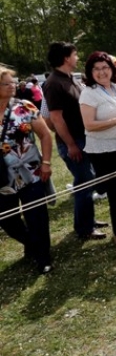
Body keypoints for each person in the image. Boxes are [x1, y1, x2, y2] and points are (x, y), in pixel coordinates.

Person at [43, 41, 107, 240]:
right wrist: (70, 144)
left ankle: (88, 221)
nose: (77, 57)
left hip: (84, 139)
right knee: (83, 184)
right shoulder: (54, 83)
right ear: (65, 58)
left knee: (87, 181)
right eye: (75, 54)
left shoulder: (69, 79)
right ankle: (84, 229)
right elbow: (55, 118)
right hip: (73, 142)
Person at [0, 66, 54, 274]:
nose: (13, 86)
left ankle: (44, 257)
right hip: (2, 177)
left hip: (30, 172)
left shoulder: (25, 107)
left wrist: (47, 163)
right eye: (7, 83)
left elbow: (46, 136)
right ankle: (32, 243)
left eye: (13, 81)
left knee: (37, 216)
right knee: (7, 219)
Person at [79, 52, 116, 247]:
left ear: (112, 69)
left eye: (105, 67)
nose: (101, 72)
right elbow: (89, 125)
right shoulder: (89, 92)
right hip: (103, 150)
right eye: (96, 69)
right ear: (90, 72)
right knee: (114, 192)